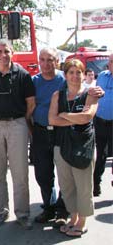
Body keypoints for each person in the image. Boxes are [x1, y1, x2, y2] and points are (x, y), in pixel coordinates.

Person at [0, 39, 36, 230]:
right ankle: (1, 211)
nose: (4, 55)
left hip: (17, 125)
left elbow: (31, 103)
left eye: (7, 51)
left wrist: (20, 120)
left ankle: (23, 214)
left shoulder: (23, 75)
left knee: (20, 173)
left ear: (13, 53)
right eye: (0, 51)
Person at [48, 59, 98, 237]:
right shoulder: (57, 95)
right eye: (71, 72)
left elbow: (87, 117)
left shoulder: (90, 93)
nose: (75, 76)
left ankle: (82, 221)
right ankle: (73, 217)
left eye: (79, 72)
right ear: (65, 75)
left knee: (83, 186)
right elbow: (52, 120)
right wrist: (74, 117)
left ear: (84, 75)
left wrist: (65, 115)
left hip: (83, 145)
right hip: (61, 145)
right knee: (67, 186)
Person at [31, 47, 69, 227]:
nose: (46, 64)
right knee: (43, 174)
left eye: (50, 60)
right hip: (39, 132)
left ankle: (63, 210)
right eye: (42, 59)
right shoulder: (33, 81)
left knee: (64, 173)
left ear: (57, 61)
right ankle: (49, 207)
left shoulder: (65, 79)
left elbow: (82, 90)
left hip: (61, 133)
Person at [93, 53, 113, 196]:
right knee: (100, 155)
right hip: (100, 121)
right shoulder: (101, 76)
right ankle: (96, 183)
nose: (111, 64)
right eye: (111, 61)